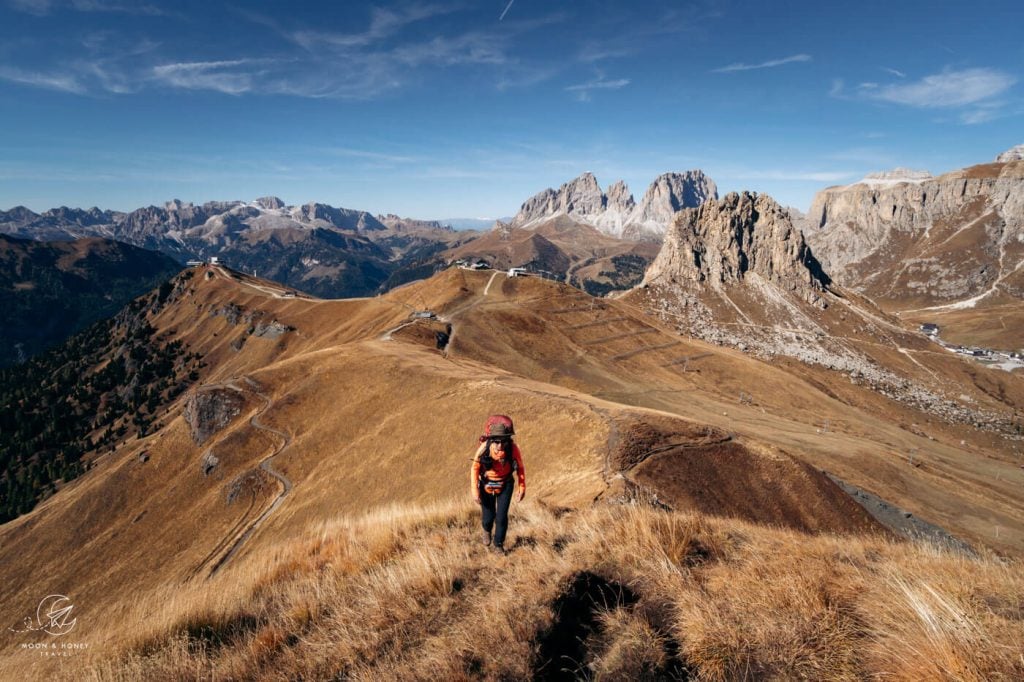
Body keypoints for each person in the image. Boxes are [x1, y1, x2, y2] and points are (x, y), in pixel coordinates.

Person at [471, 422, 526, 554]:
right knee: (488, 517)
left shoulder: (513, 449)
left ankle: (498, 545)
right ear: (491, 440)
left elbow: (520, 468)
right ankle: (486, 529)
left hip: (505, 484)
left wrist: (521, 487)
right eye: (496, 441)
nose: (500, 445)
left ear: (507, 439)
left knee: (501, 517)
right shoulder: (485, 448)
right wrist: (475, 491)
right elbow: (475, 468)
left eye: (503, 441)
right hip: (486, 484)